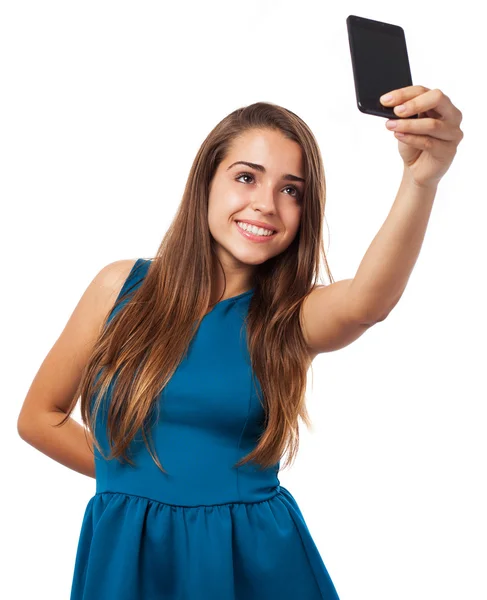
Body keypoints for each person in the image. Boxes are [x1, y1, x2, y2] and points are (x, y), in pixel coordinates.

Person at [17, 87, 463, 599]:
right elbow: (39, 417)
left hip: (249, 559)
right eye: (247, 177)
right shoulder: (118, 288)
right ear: (206, 181)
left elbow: (368, 302)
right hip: (128, 552)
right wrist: (139, 480)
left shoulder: (288, 318)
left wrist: (419, 179)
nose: (266, 205)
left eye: (291, 190)